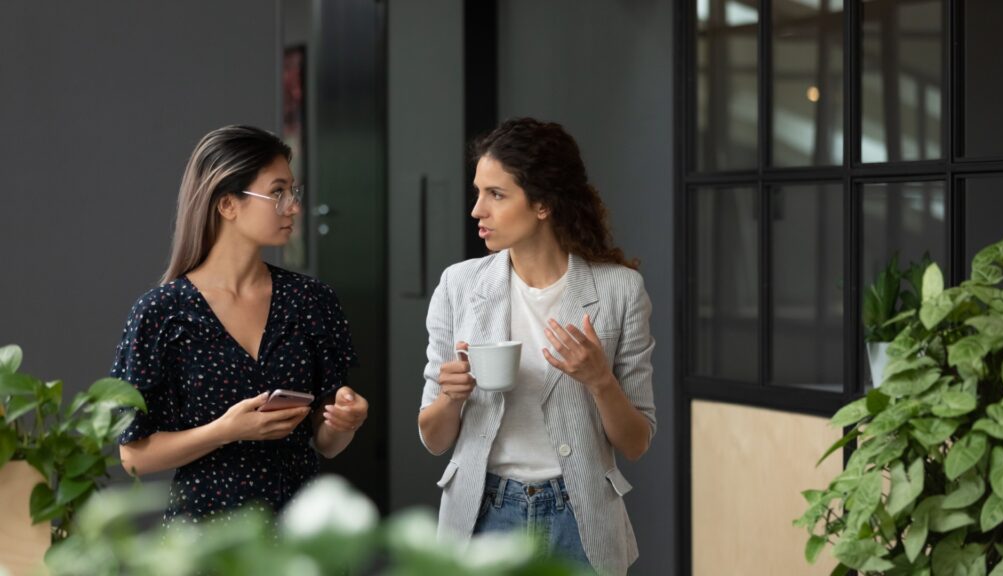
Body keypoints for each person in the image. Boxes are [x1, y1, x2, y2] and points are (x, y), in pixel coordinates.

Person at [418, 118, 656, 575]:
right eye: (478, 192)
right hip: (483, 516)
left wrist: (600, 381)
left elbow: (637, 442)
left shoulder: (620, 291)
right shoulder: (459, 285)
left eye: (496, 194)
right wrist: (451, 396)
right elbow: (433, 438)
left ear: (543, 203)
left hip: (580, 518)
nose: (477, 211)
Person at [113, 125, 368, 523]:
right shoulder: (161, 312)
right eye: (278, 192)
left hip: (302, 536)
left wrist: (345, 421)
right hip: (204, 542)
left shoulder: (311, 301)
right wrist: (225, 430)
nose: (294, 207)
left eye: (293, 193)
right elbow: (133, 457)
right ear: (227, 204)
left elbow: (326, 443)